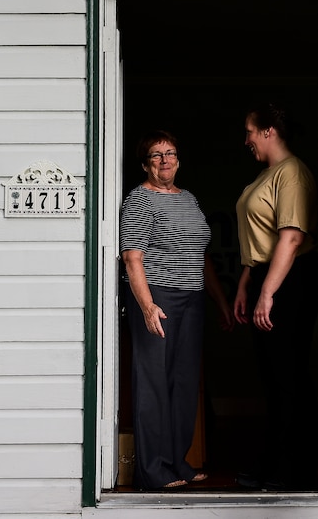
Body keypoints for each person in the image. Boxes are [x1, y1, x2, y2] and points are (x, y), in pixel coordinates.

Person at [120, 129, 233, 491]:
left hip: (192, 297)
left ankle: (176, 462)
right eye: (156, 154)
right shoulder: (139, 200)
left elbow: (201, 257)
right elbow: (132, 258)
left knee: (183, 384)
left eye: (170, 153)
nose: (165, 159)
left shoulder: (188, 199)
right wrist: (147, 305)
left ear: (178, 160)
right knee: (153, 383)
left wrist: (220, 301)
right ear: (145, 164)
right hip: (159, 298)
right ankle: (152, 471)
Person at [233, 103, 318, 491]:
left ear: (269, 131)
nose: (247, 139)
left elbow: (291, 237)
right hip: (266, 277)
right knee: (272, 378)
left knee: (287, 377)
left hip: (290, 281)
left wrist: (267, 293)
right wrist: (245, 283)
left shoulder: (293, 174)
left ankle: (292, 471)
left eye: (250, 131)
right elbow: (261, 239)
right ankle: (274, 465)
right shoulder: (267, 175)